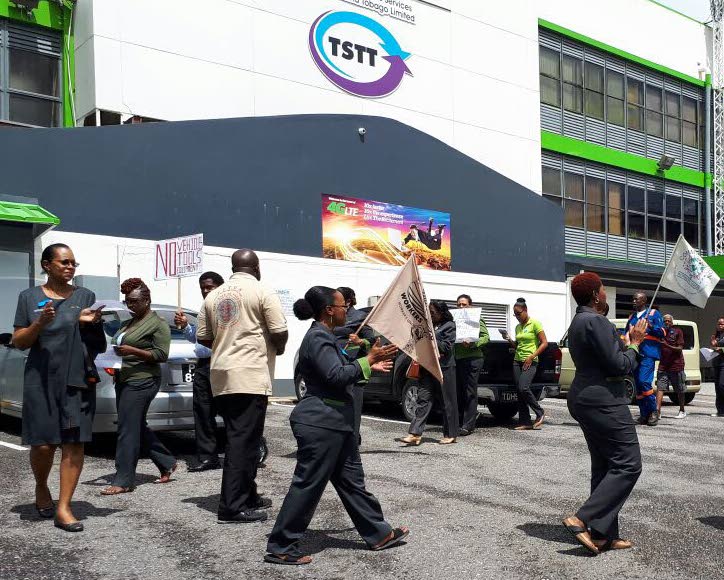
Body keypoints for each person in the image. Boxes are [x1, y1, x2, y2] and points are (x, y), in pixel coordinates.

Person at [264, 286, 407, 565]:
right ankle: (281, 545)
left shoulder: (325, 337)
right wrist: (368, 360)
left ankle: (379, 533)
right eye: (343, 306)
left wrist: (365, 365)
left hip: (336, 423)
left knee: (352, 482)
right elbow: (335, 375)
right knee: (308, 484)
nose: (346, 311)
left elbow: (342, 372)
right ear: (329, 310)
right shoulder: (318, 337)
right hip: (321, 422)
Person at [12, 244, 106, 532]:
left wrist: (92, 325)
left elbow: (96, 344)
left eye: (73, 263)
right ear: (47, 264)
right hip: (40, 379)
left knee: (73, 443)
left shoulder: (84, 296)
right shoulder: (28, 297)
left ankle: (64, 507)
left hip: (76, 379)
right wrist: (39, 323)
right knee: (42, 444)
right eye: (64, 262)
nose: (70, 267)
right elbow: (19, 341)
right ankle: (42, 486)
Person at [196, 249, 288, 523]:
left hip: (221, 374)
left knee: (242, 437)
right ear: (256, 267)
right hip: (249, 375)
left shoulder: (213, 295)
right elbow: (279, 330)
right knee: (242, 442)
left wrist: (226, 347)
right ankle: (232, 506)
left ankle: (248, 493)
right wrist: (278, 348)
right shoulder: (261, 291)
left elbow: (203, 336)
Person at [562, 271, 646, 555]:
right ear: (596, 295)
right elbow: (620, 366)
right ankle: (581, 519)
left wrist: (622, 345)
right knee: (628, 464)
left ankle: (603, 535)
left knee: (605, 466)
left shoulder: (579, 320)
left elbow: (606, 357)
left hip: (585, 397)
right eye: (602, 289)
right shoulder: (596, 321)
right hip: (603, 400)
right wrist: (635, 343)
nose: (604, 293)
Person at [102, 278, 177, 495]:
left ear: (147, 300)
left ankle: (124, 480)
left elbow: (161, 355)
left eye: (134, 301)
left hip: (143, 381)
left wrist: (133, 352)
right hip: (125, 379)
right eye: (127, 302)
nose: (130, 305)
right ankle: (167, 461)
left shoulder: (158, 323)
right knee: (134, 424)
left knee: (126, 429)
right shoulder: (129, 322)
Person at [174, 271, 225, 472]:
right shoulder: (204, 310)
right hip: (204, 366)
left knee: (232, 412)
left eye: (209, 287)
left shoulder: (227, 310)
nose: (205, 291)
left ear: (220, 287)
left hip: (223, 364)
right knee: (203, 412)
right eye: (203, 287)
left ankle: (250, 451)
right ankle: (207, 457)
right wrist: (186, 326)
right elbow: (198, 338)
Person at [401, 300, 459, 445]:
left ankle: (450, 434)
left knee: (447, 401)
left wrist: (430, 337)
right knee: (423, 399)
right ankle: (415, 433)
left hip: (443, 368)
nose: (430, 315)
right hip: (427, 367)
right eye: (429, 312)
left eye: (433, 313)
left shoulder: (449, 326)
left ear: (441, 313)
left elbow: (446, 346)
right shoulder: (429, 325)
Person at [502, 298, 548, 430]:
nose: (517, 316)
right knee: (519, 391)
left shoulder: (535, 324)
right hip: (517, 360)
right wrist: (509, 339)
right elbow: (518, 346)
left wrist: (532, 356)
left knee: (523, 387)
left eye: (518, 313)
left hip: (530, 361)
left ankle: (539, 412)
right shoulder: (518, 327)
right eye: (515, 314)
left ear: (525, 310)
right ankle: (525, 421)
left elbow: (544, 343)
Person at [624, 292, 665, 427]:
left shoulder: (653, 314)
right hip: (635, 353)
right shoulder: (632, 317)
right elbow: (625, 334)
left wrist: (651, 327)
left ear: (644, 301)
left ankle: (653, 412)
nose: (634, 301)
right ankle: (644, 414)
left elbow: (662, 332)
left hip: (648, 353)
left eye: (637, 299)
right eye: (633, 298)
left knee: (644, 381)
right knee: (638, 385)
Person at [454, 294, 489, 435]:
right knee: (458, 391)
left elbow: (486, 337)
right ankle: (458, 422)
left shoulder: (477, 318)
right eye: (459, 305)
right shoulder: (454, 319)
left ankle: (468, 426)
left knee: (469, 391)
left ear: (470, 305)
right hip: (457, 359)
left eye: (464, 304)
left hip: (473, 358)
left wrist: (474, 343)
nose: (461, 307)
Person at [656, 314, 686, 420]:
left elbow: (679, 349)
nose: (666, 322)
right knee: (660, 387)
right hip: (663, 365)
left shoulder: (677, 331)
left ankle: (682, 410)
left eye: (668, 321)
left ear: (672, 322)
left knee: (679, 389)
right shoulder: (660, 333)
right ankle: (657, 411)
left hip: (676, 365)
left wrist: (666, 345)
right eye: (665, 321)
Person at [709, 317, 724, 417]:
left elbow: (718, 346)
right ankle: (720, 411)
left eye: (722, 324)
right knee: (717, 388)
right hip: (717, 363)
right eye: (719, 324)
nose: (720, 326)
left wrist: (719, 347)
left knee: (722, 385)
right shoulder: (716, 335)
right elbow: (714, 346)